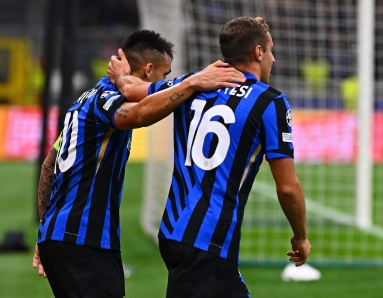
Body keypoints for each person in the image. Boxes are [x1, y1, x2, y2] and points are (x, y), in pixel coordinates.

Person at [32, 29, 245, 298]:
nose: (163, 81)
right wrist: (192, 84)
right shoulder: (106, 98)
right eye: (164, 74)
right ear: (148, 69)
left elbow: (48, 165)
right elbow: (140, 114)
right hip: (84, 240)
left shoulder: (82, 101)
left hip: (62, 238)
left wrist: (46, 230)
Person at [108, 16, 311, 297]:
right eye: (271, 50)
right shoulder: (269, 101)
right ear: (258, 52)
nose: (273, 60)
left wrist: (119, 75)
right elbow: (288, 186)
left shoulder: (192, 85)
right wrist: (301, 236)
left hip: (174, 231)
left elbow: (131, 89)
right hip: (208, 238)